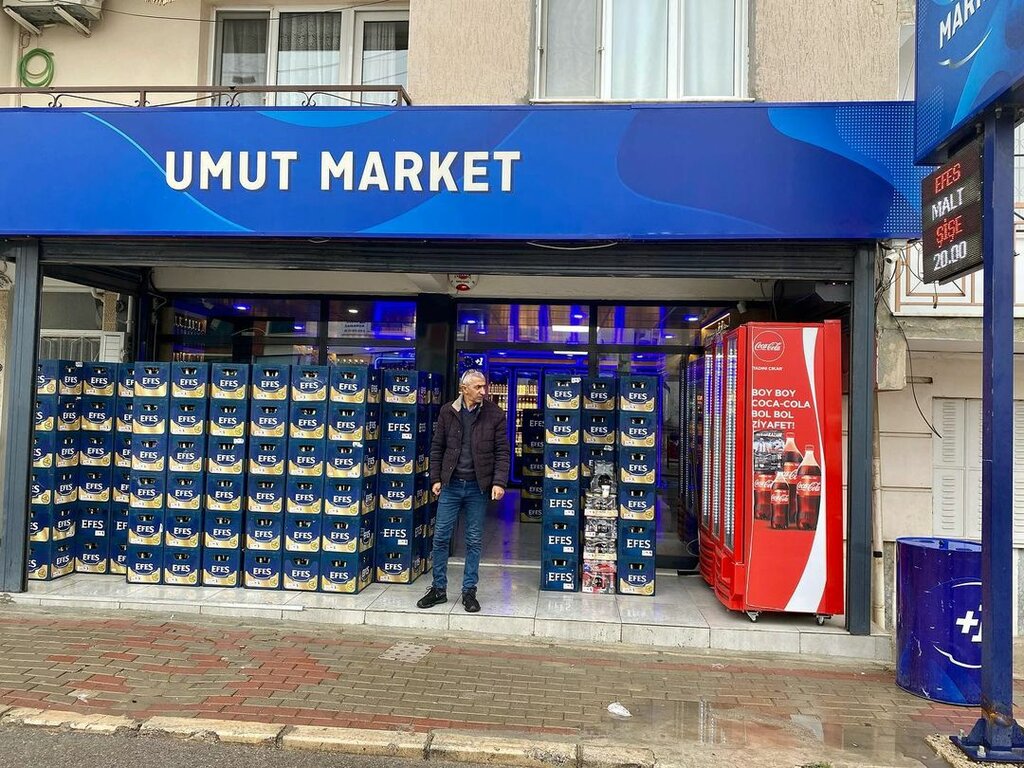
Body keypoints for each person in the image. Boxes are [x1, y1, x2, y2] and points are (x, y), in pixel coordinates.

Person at [418, 369, 510, 613]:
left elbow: (502, 451)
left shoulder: (495, 414)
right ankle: (438, 589)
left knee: (473, 540)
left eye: (484, 386)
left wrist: (499, 482)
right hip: (451, 485)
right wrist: (436, 477)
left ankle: (469, 591)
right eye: (478, 387)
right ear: (464, 389)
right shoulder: (448, 411)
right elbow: (437, 446)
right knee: (440, 538)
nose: (483, 391)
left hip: (478, 488)